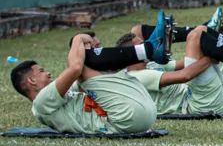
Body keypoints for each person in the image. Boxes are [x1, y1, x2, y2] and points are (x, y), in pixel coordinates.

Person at [118, 23, 223, 116]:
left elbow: (183, 65)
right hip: (198, 105)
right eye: (142, 46)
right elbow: (186, 74)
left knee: (203, 30)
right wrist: (211, 56)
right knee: (195, 36)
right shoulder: (137, 76)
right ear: (132, 55)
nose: (148, 47)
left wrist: (213, 51)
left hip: (205, 97)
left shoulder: (151, 64)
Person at [10, 33, 157, 134]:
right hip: (124, 119)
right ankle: (148, 51)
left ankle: (149, 49)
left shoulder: (60, 97)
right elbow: (75, 68)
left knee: (93, 67)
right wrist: (77, 39)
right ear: (31, 80)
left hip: (140, 116)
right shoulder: (41, 102)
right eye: (41, 71)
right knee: (83, 65)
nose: (48, 73)